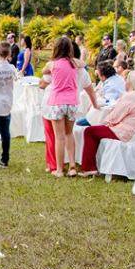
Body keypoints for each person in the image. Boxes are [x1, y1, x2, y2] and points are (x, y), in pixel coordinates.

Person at [77, 71, 135, 176]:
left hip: (122, 132)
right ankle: (95, 163)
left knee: (89, 131)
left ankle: (89, 168)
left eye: (126, 80)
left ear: (130, 82)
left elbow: (114, 117)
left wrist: (105, 122)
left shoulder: (130, 96)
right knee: (95, 130)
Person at [41, 36, 81, 177]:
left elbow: (43, 72)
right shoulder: (74, 63)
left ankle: (59, 169)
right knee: (69, 134)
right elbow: (82, 63)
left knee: (59, 137)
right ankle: (72, 166)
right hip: (72, 102)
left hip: (57, 101)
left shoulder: (52, 64)